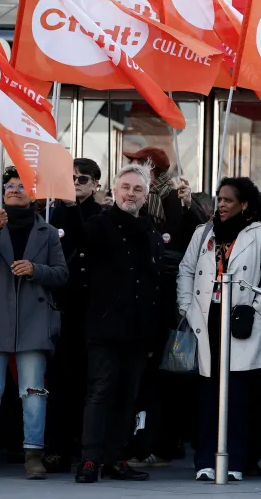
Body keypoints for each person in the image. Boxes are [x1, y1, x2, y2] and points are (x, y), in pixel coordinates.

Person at [177, 177, 261, 482]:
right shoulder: (204, 232)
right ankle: (204, 461)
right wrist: (186, 306)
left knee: (237, 396)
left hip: (240, 321)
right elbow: (185, 270)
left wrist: (257, 308)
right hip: (206, 319)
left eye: (227, 200)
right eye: (218, 199)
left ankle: (236, 460)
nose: (220, 205)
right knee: (208, 395)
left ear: (244, 204)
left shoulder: (260, 232)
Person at [71, 164, 165, 484]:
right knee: (100, 392)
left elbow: (155, 284)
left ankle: (115, 459)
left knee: (128, 396)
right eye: (125, 187)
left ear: (147, 195)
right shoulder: (98, 225)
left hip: (139, 332)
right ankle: (89, 460)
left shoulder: (152, 233)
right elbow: (77, 252)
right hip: (104, 328)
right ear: (113, 190)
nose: (131, 194)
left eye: (138, 189)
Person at [0, 168, 68, 480]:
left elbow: (61, 274)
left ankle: (33, 455)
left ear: (34, 195)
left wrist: (36, 269)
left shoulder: (48, 232)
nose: (14, 190)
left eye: (21, 186)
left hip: (33, 319)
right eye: (10, 186)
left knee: (34, 390)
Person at [122, 148, 202, 471]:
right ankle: (142, 443)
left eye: (138, 166)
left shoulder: (173, 201)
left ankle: (162, 444)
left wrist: (187, 206)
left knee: (164, 381)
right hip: (142, 308)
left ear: (151, 171)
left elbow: (192, 239)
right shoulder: (139, 205)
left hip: (167, 309)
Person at [42, 158, 105, 473]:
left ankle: (86, 447)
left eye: (81, 179)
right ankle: (56, 447)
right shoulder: (53, 213)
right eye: (70, 178)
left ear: (95, 183)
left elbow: (89, 240)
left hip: (90, 307)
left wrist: (72, 205)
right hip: (60, 305)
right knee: (59, 380)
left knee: (88, 381)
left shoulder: (101, 214)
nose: (75, 183)